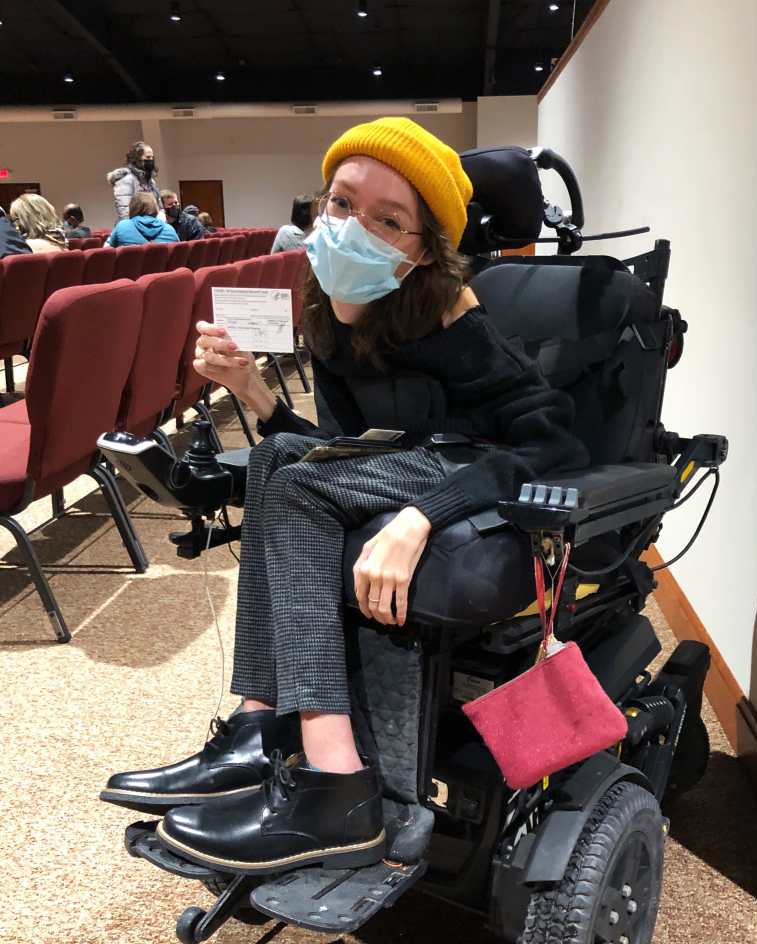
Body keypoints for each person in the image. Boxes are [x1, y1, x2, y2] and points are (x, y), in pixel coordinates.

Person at [101, 117, 588, 875]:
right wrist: (251, 392)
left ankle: (337, 788)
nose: (353, 227)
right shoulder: (330, 302)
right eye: (341, 203)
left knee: (294, 484)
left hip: (469, 466)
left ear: (422, 249)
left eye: (389, 220)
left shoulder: (452, 314)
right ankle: (259, 729)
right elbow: (342, 443)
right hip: (402, 459)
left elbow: (550, 440)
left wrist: (423, 518)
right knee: (277, 463)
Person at [107, 141, 163, 223]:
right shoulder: (126, 179)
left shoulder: (150, 181)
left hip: (151, 226)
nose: (151, 160)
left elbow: (159, 205)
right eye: (147, 158)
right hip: (134, 228)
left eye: (152, 157)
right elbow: (124, 210)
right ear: (136, 159)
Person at [105, 192, 179, 246]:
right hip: (165, 267)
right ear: (155, 208)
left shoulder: (122, 226)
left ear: (132, 208)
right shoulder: (169, 229)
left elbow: (106, 253)